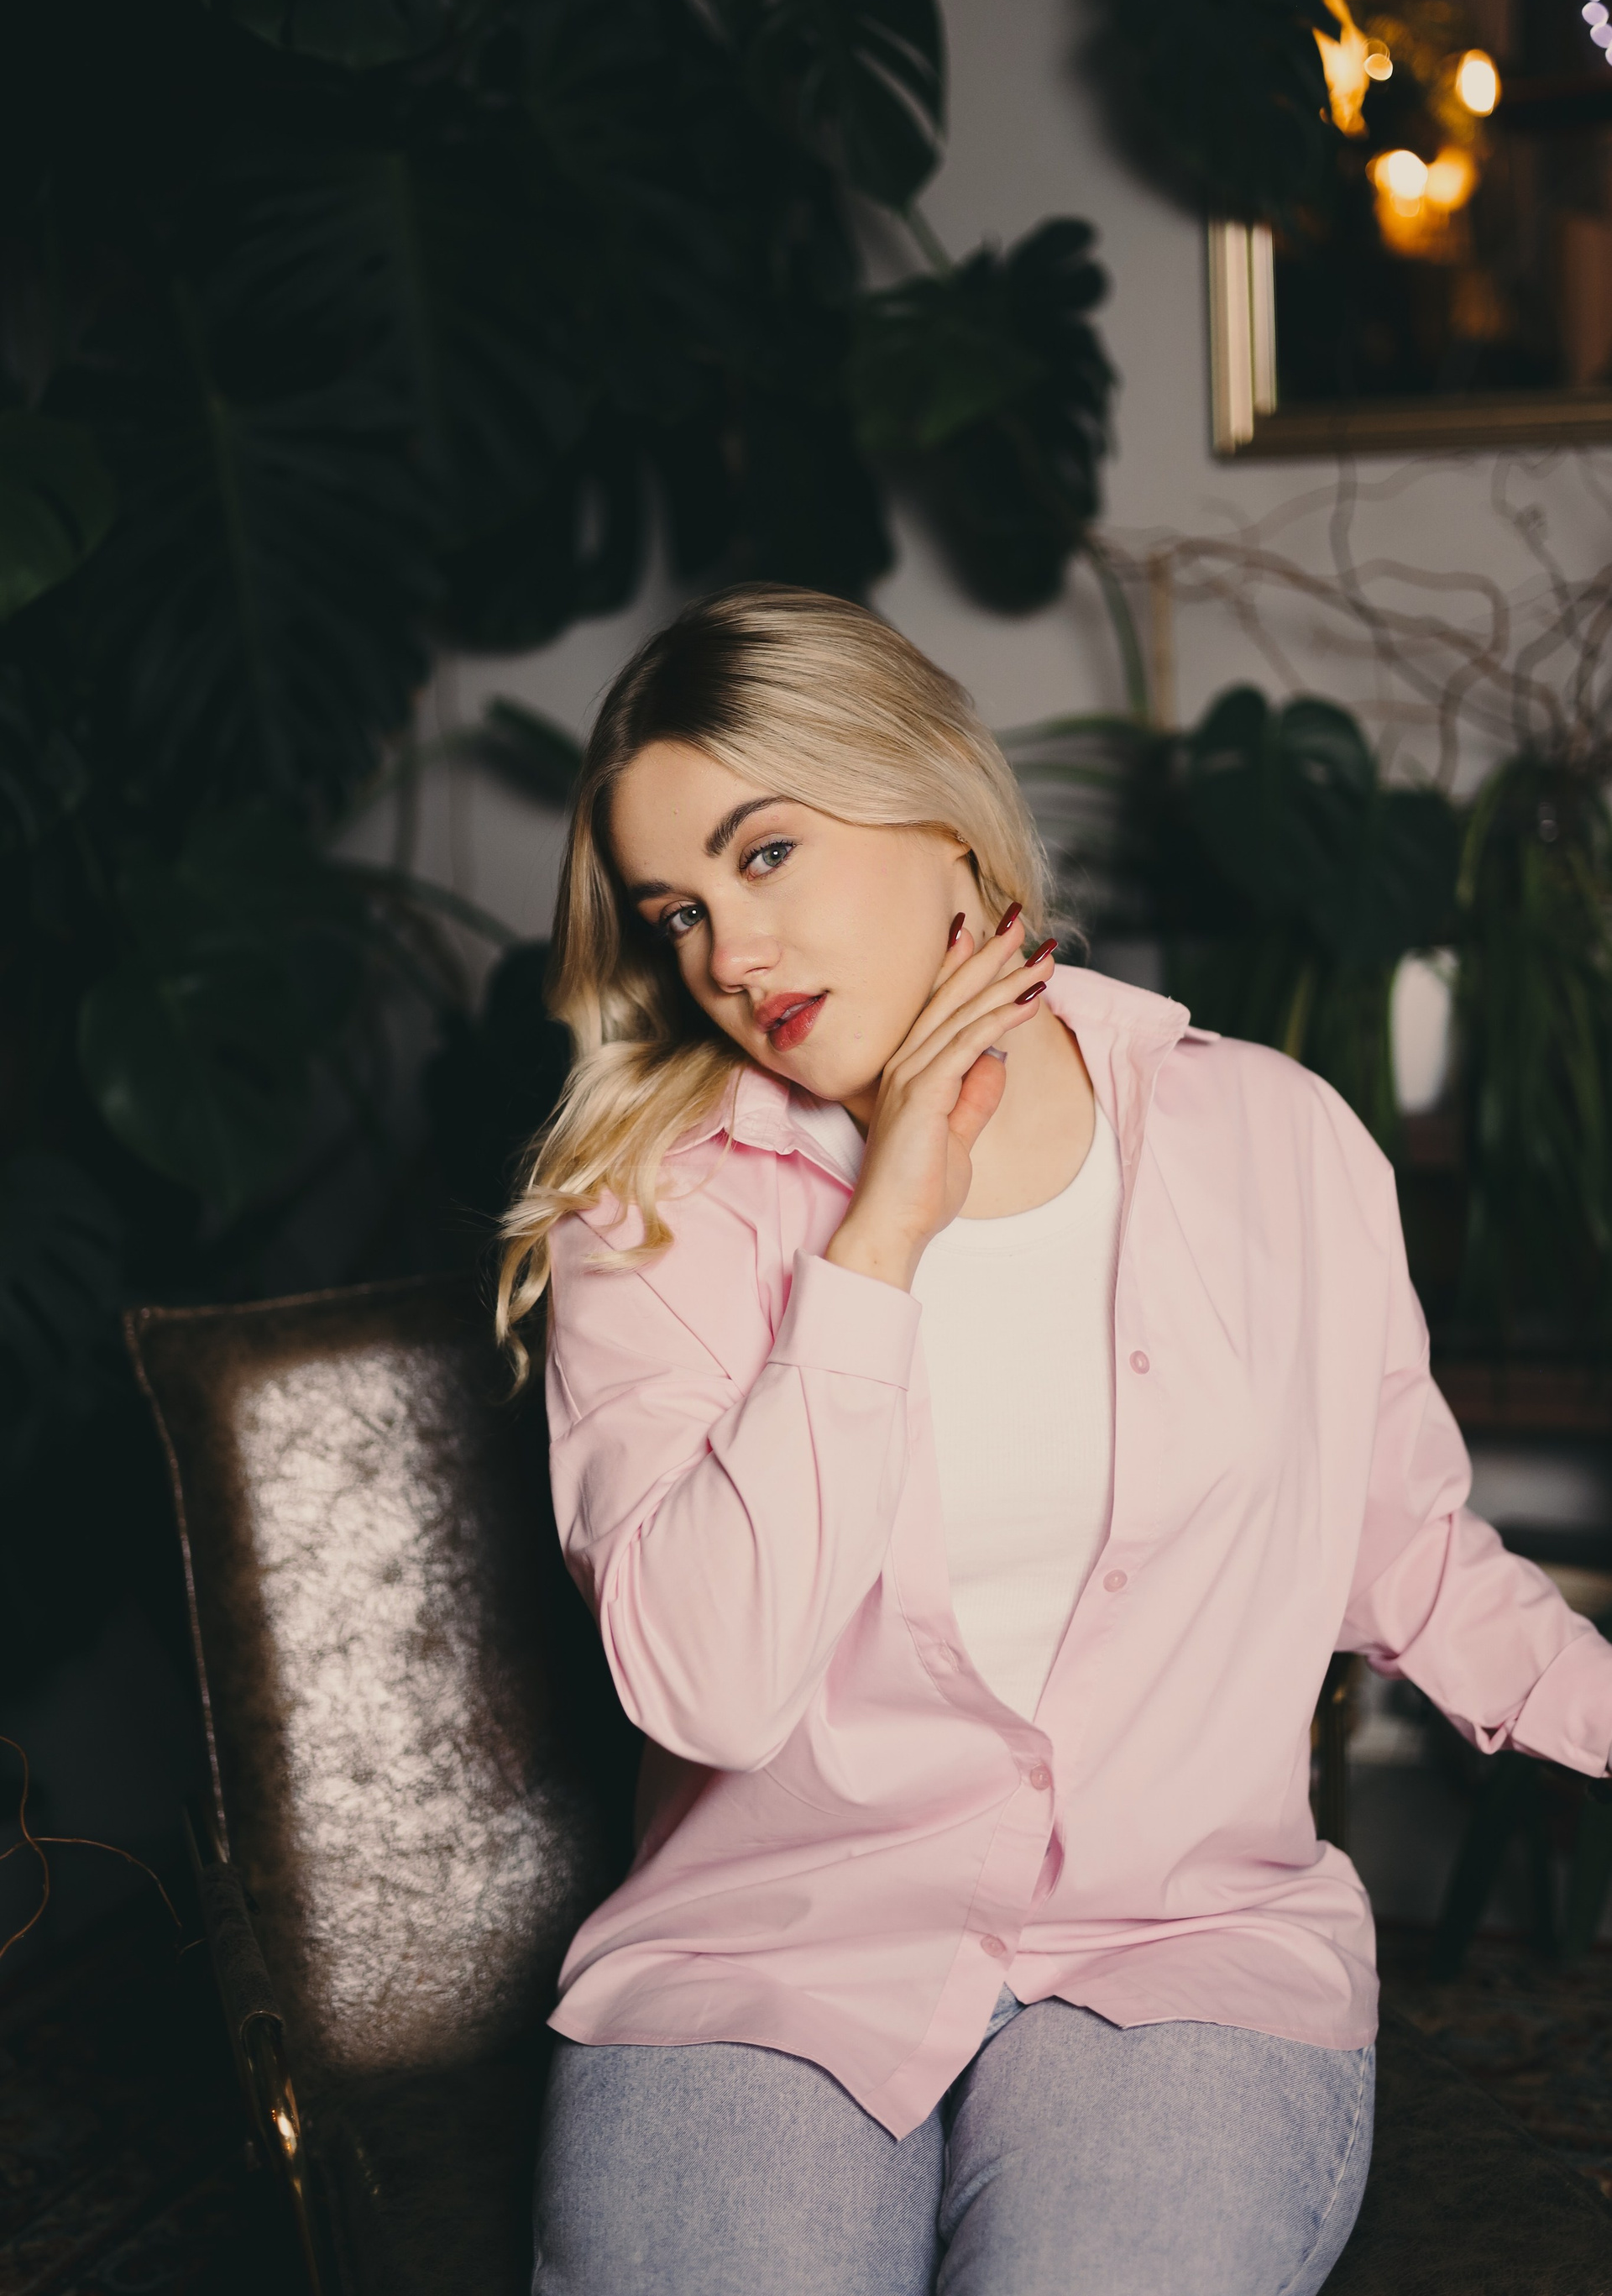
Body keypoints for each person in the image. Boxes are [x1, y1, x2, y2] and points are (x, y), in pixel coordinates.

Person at [497, 584, 1612, 2296]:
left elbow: (1402, 1548)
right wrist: (882, 1236)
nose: (731, 955)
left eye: (768, 854)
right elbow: (710, 1688)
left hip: (1185, 1949)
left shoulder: (1277, 1140)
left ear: (941, 812)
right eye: (681, 913)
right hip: (766, 1961)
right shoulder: (650, 1213)